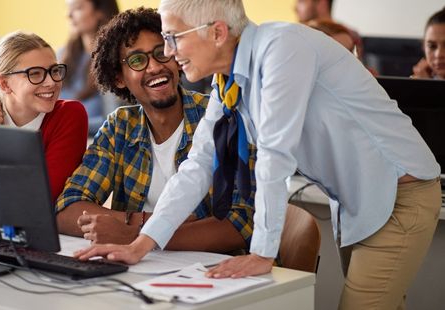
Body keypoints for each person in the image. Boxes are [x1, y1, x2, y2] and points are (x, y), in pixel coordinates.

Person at [75, 1, 441, 309]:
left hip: (397, 196)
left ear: (217, 32)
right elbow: (200, 164)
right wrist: (142, 244)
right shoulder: (229, 76)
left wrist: (262, 253)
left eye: (172, 38)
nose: (168, 53)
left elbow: (274, 154)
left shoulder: (282, 49)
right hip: (360, 199)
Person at [56, 7, 253, 253]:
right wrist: (140, 222)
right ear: (119, 78)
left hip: (215, 275)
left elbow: (241, 224)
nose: (154, 67)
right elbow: (68, 208)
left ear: (176, 56)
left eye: (161, 53)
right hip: (140, 272)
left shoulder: (221, 116)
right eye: (137, 60)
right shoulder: (120, 127)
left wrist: (134, 237)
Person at [0, 31, 88, 203]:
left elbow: (42, 195)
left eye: (54, 70)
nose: (51, 82)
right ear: (4, 83)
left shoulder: (69, 115)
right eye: (35, 74)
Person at [60, 0, 121, 135]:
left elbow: (114, 119)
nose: (69, 15)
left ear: (100, 11)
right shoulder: (61, 56)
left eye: (77, 8)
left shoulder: (113, 59)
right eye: (68, 8)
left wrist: (66, 126)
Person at [412, 7, 445, 80]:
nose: (439, 54)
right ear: (423, 47)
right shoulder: (418, 79)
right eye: (432, 46)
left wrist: (428, 87)